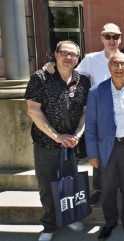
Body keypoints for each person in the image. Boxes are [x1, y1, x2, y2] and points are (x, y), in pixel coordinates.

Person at [42, 22, 124, 206]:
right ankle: (99, 189)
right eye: (108, 36)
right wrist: (52, 65)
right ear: (101, 38)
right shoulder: (91, 59)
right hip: (99, 115)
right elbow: (70, 72)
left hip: (123, 116)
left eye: (116, 36)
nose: (112, 40)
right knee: (100, 157)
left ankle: (121, 190)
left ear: (121, 39)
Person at [25, 40, 90, 241]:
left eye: (73, 55)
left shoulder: (83, 81)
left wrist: (78, 134)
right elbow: (33, 110)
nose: (68, 57)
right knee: (47, 186)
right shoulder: (40, 78)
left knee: (69, 183)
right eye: (64, 53)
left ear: (78, 59)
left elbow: (86, 112)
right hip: (46, 145)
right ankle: (50, 225)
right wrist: (56, 136)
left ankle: (69, 216)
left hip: (70, 145)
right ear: (56, 54)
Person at [85, 52, 124, 240]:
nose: (119, 68)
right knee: (108, 189)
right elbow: (91, 125)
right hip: (106, 148)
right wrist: (92, 154)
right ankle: (110, 222)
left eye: (123, 64)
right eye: (115, 64)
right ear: (109, 67)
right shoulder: (96, 91)